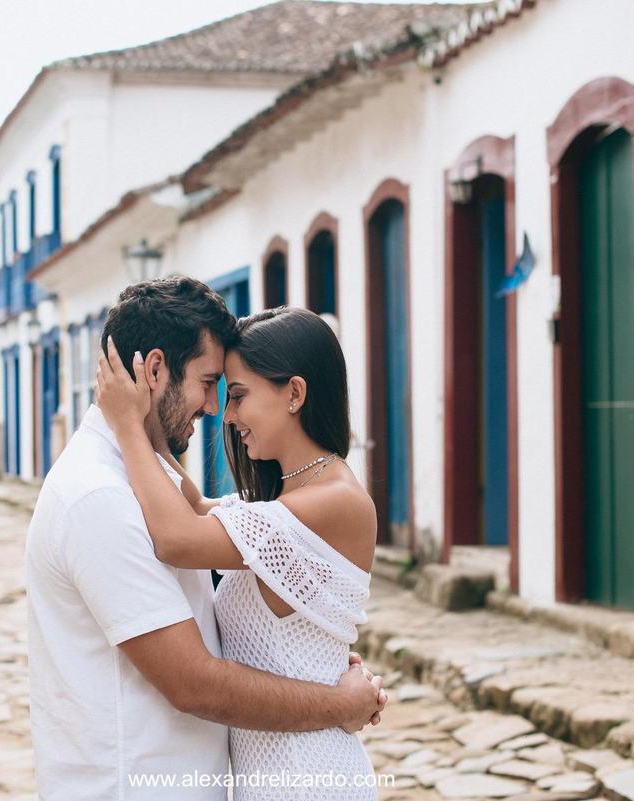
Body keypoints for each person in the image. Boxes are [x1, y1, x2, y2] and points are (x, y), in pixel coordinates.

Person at [25, 278, 386, 801]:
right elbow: (191, 512)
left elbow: (182, 532)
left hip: (306, 775)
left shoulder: (329, 500)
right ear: (152, 371)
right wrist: (140, 429)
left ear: (295, 394)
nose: (221, 410)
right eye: (214, 385)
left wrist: (135, 427)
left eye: (235, 394)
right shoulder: (100, 496)